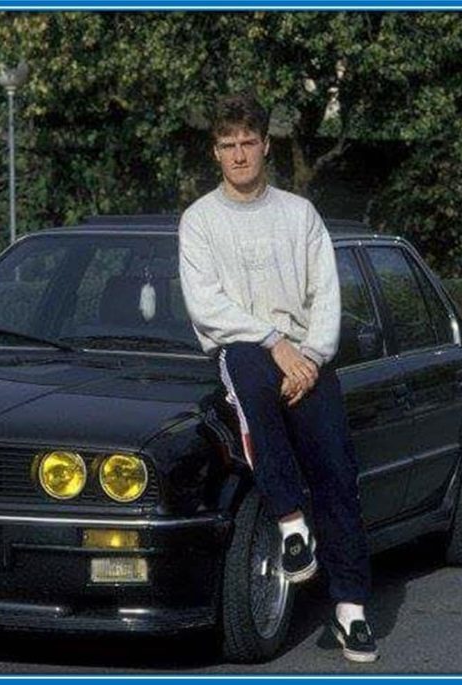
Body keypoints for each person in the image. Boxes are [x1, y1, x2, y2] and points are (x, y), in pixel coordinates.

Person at [178, 92, 378, 663]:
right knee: (246, 370)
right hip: (247, 352)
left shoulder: (300, 215)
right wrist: (275, 343)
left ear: (266, 145)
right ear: (215, 154)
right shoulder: (200, 222)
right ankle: (292, 525)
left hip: (309, 360)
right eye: (227, 145)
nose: (238, 154)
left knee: (338, 469)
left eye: (248, 142)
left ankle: (351, 610)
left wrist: (309, 355)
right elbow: (207, 306)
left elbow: (326, 293)